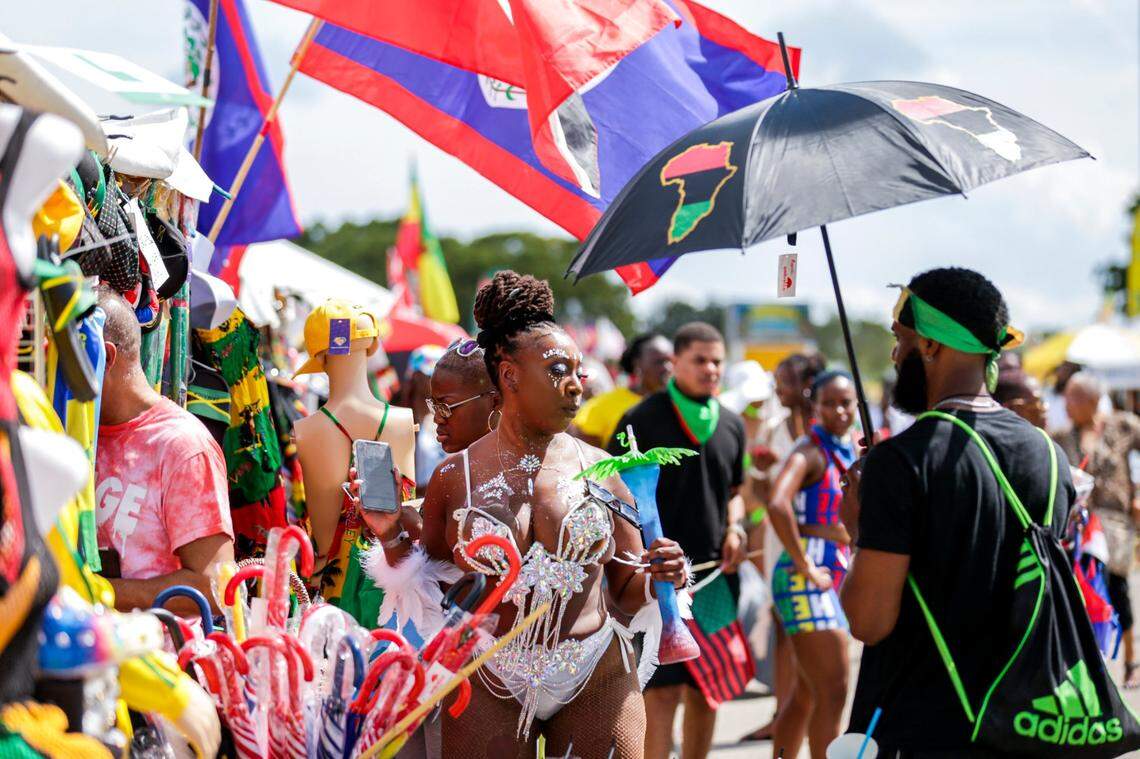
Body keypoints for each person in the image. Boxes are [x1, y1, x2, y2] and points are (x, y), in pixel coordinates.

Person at [414, 271, 688, 758]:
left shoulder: (603, 470)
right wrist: (392, 537)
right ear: (510, 375)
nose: (575, 386)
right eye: (559, 370)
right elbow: (427, 575)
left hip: (593, 671)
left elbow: (627, 586)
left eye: (578, 372)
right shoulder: (454, 477)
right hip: (490, 671)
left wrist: (662, 574)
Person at [840, 267, 1073, 756]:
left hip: (927, 727)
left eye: (900, 338)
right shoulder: (1050, 456)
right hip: (1029, 726)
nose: (895, 354)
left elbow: (868, 621)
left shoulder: (901, 462)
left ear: (929, 345)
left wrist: (859, 527)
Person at [612, 322, 748, 759]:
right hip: (659, 581)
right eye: (700, 360)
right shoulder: (640, 420)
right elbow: (613, 494)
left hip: (714, 579)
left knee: (710, 690)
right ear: (676, 364)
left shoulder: (731, 423)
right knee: (661, 694)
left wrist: (736, 528)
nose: (710, 370)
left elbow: (735, 494)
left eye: (717, 361)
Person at [93, 287, 235, 614]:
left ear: (106, 357)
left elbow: (215, 588)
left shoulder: (182, 446)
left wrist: (98, 592)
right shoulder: (74, 429)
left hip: (156, 659)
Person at [767, 371, 856, 759]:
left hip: (829, 579)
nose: (840, 410)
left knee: (805, 695)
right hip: (807, 580)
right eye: (830, 402)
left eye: (847, 402)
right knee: (833, 693)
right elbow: (776, 503)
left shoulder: (846, 447)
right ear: (815, 406)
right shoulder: (810, 450)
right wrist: (805, 564)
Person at [741, 351, 824, 744]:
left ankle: (814, 715)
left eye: (785, 380)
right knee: (783, 626)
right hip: (779, 541)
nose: (777, 387)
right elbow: (758, 498)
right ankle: (782, 714)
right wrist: (760, 467)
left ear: (808, 385)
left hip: (820, 543)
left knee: (817, 629)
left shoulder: (831, 426)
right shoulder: (773, 428)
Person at [1053, 371, 1140, 687]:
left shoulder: (1122, 425)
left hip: (1115, 525)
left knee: (1117, 587)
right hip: (1081, 526)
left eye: (1073, 397)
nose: (1066, 403)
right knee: (1086, 589)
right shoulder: (1062, 436)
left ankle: (1131, 661)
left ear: (1091, 400)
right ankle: (1091, 664)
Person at [570, 332, 673, 448]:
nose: (667, 368)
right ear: (637, 363)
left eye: (671, 361)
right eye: (659, 362)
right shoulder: (604, 404)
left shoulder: (680, 403)